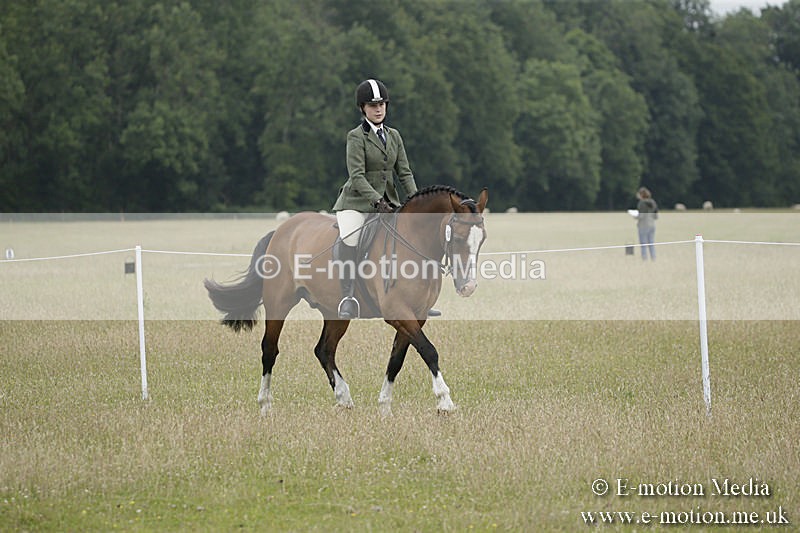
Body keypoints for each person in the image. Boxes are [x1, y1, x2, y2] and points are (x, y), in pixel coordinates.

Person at [332, 79, 419, 319]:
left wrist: (416, 200)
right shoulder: (356, 137)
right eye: (372, 105)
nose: (378, 109)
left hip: (390, 203)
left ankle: (414, 297)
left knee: (410, 238)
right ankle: (348, 297)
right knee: (350, 237)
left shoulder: (394, 136)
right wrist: (377, 201)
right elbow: (357, 176)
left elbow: (404, 172)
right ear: (362, 108)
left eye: (381, 104)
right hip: (357, 202)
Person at [636, 187, 658, 261]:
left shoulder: (642, 203)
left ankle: (644, 259)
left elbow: (641, 216)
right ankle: (653, 258)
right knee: (651, 243)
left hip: (643, 225)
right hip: (652, 225)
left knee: (643, 244)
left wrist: (635, 216)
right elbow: (656, 216)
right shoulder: (653, 202)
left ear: (641, 194)